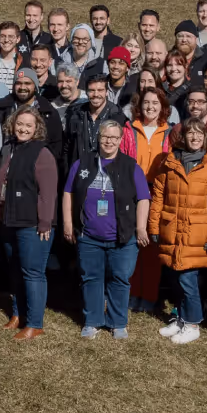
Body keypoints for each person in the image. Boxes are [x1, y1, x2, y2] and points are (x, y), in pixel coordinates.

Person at [63, 119, 148, 339]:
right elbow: (68, 192)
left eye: (114, 137)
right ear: (98, 138)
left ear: (120, 140)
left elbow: (143, 198)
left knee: (120, 278)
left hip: (123, 237)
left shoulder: (131, 166)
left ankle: (118, 322)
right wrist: (68, 223)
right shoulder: (82, 163)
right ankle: (92, 320)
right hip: (89, 236)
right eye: (105, 136)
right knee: (91, 278)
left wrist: (141, 227)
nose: (109, 141)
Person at [150, 117, 207, 344]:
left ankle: (193, 324)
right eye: (190, 133)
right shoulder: (170, 162)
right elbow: (158, 196)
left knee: (188, 280)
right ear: (182, 137)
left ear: (205, 138)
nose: (194, 137)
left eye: (199, 133)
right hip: (171, 229)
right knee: (174, 277)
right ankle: (181, 318)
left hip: (195, 233)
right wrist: (154, 225)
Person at [0, 107, 58, 340]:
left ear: (37, 128)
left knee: (33, 273)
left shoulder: (42, 153)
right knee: (15, 271)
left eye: (28, 125)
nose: (23, 129)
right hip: (8, 219)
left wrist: (45, 223)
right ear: (13, 124)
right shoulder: (8, 148)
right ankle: (18, 314)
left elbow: (48, 193)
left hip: (32, 223)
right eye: (19, 124)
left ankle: (34, 323)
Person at [119, 87, 171, 311]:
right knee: (131, 245)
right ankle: (131, 293)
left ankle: (148, 295)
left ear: (163, 107)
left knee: (151, 246)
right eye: (146, 102)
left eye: (155, 103)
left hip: (158, 193)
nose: (150, 107)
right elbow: (121, 161)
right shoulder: (129, 130)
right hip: (132, 192)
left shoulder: (170, 132)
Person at [63, 75, 128, 166]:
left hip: (106, 170)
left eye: (100, 90)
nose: (96, 94)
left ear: (106, 92)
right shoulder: (76, 115)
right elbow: (67, 148)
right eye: (92, 90)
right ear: (86, 92)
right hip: (80, 170)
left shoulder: (117, 117)